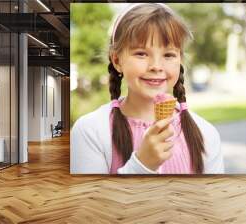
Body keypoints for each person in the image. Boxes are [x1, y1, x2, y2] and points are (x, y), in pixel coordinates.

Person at [71, 3, 224, 174]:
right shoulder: (91, 131)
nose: (156, 66)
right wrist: (142, 164)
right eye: (141, 53)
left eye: (168, 55)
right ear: (117, 61)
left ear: (179, 60)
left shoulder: (205, 133)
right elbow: (90, 201)